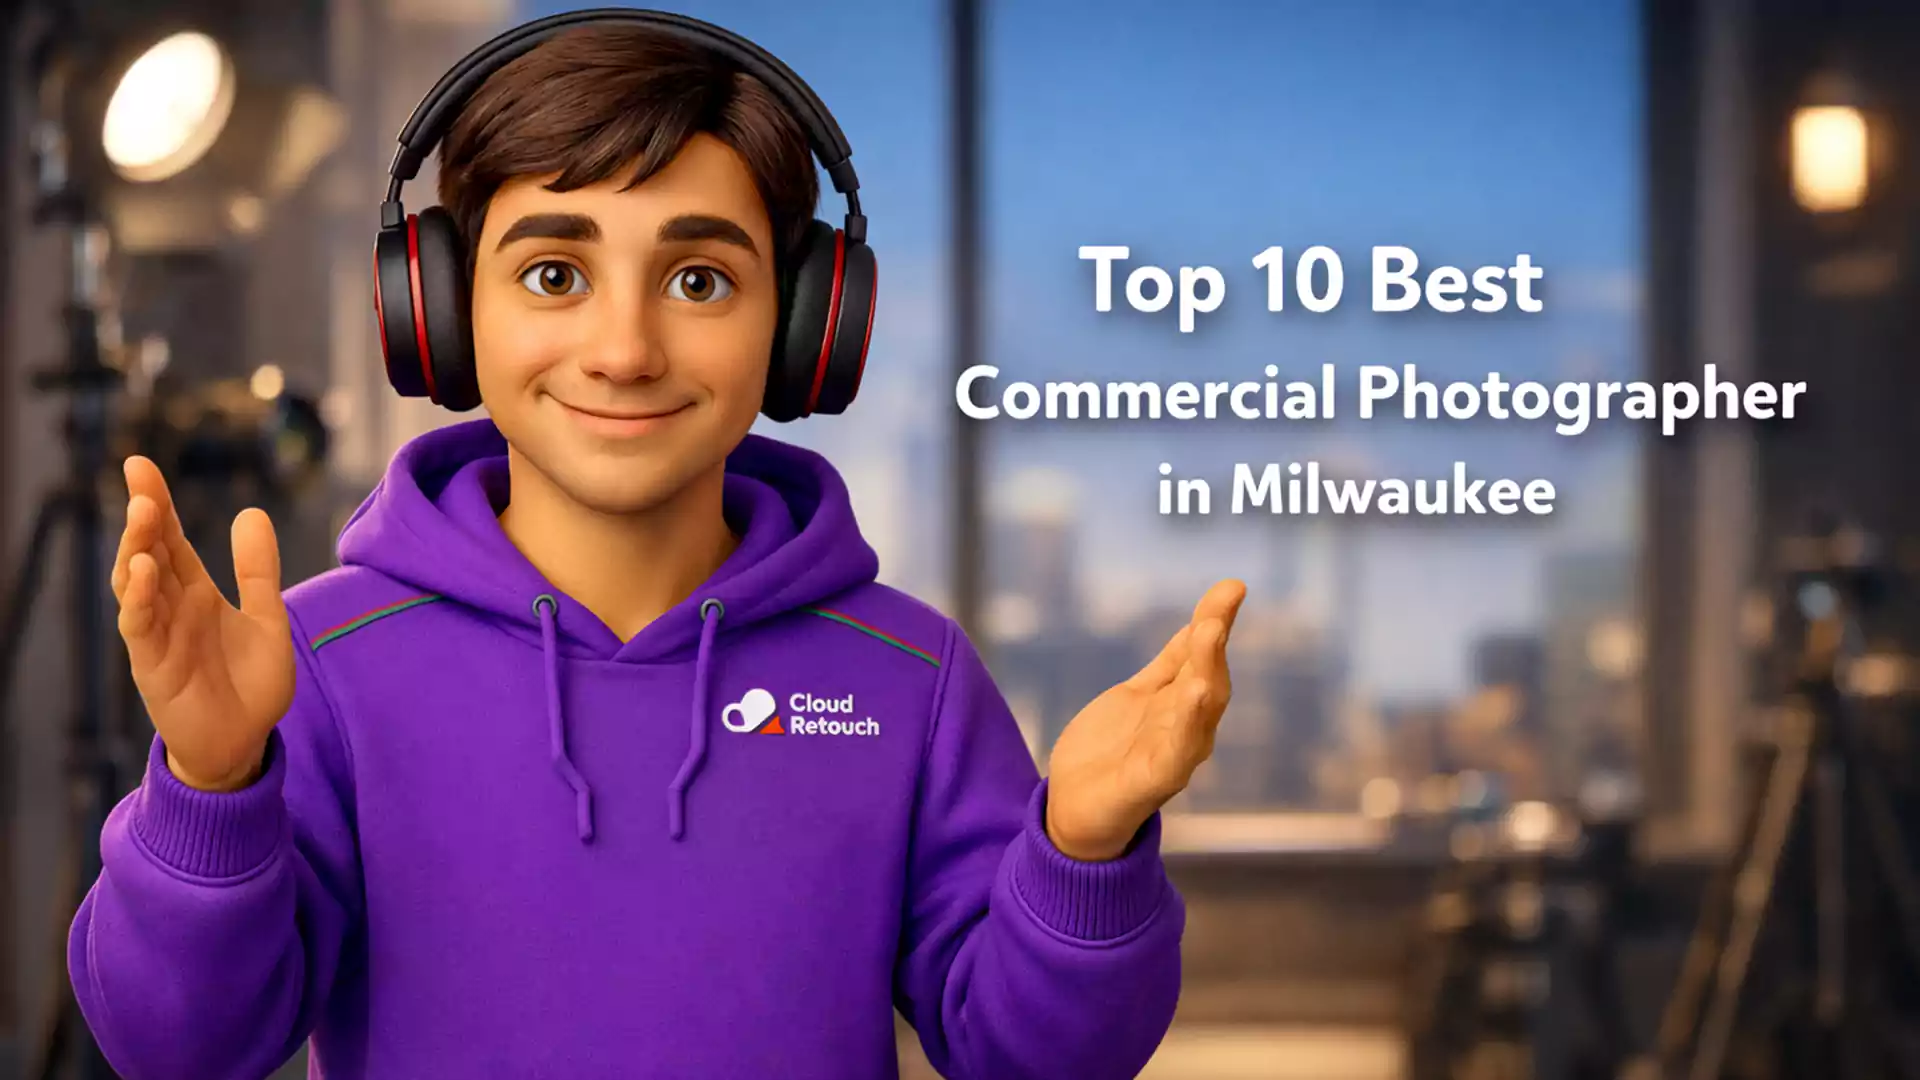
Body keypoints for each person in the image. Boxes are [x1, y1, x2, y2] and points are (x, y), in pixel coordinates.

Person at [71, 14, 1245, 1080]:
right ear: (437, 312)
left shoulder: (910, 680)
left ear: (800, 329)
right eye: (552, 273)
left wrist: (1084, 849)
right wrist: (210, 787)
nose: (624, 349)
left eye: (697, 278)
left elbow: (1035, 1059)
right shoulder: (318, 663)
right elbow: (177, 1049)